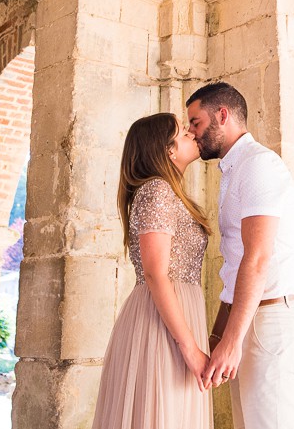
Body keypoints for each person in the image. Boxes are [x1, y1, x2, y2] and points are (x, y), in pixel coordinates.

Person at [186, 82, 294, 429]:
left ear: (222, 115)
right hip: (248, 317)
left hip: (271, 318)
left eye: (196, 123)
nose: (192, 132)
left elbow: (257, 258)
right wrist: (218, 336)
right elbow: (233, 264)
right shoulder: (234, 169)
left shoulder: (259, 165)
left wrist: (230, 342)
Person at [91, 113, 213, 429]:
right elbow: (156, 273)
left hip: (176, 315)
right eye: (182, 132)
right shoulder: (157, 189)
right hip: (161, 325)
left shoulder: (168, 192)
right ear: (167, 150)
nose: (191, 133)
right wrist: (189, 347)